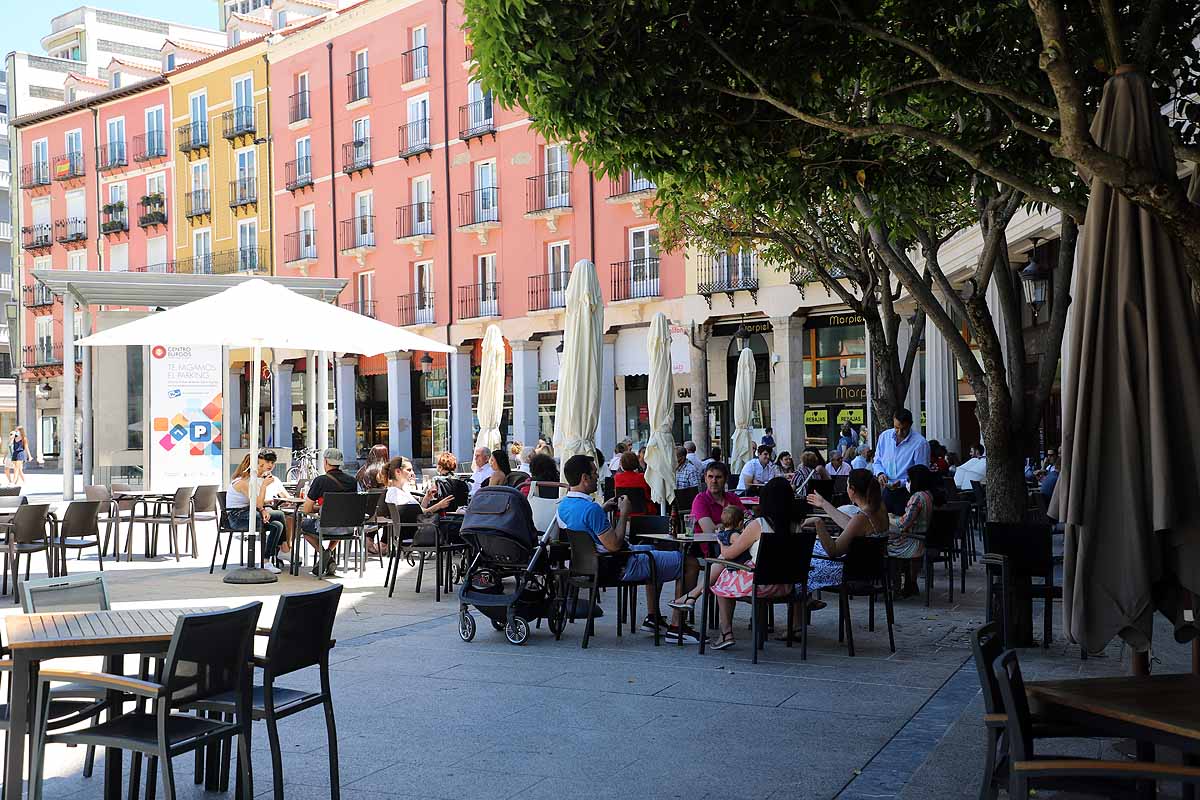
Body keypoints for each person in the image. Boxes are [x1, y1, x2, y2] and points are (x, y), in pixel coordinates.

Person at [557, 454, 696, 642]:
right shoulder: (591, 509)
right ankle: (677, 626)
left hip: (586, 566)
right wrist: (624, 514)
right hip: (618, 566)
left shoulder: (564, 505)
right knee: (690, 563)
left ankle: (653, 617)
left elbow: (585, 529)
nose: (597, 476)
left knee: (653, 552)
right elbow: (614, 545)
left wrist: (604, 509)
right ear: (584, 478)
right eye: (594, 472)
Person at [706, 477, 798, 650]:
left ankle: (726, 632)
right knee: (731, 572)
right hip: (787, 585)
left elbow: (729, 553)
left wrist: (721, 541)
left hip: (760, 585)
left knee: (724, 577)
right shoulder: (795, 526)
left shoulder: (759, 524)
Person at [804, 468, 890, 594]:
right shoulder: (880, 508)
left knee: (803, 562)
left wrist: (819, 523)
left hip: (850, 573)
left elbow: (833, 551)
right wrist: (824, 503)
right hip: (872, 570)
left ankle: (802, 602)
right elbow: (853, 526)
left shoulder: (861, 518)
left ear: (852, 490)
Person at [669, 504, 747, 616]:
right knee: (721, 564)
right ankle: (691, 597)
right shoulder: (734, 535)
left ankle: (691, 596)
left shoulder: (723, 534)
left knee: (720, 563)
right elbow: (740, 545)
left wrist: (721, 543)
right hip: (739, 567)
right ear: (740, 524)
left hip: (732, 567)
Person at [227, 452, 287, 575]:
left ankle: (266, 561)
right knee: (280, 515)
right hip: (237, 517)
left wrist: (264, 510)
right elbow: (258, 504)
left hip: (248, 513)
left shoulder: (250, 481)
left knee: (278, 525)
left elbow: (257, 505)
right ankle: (284, 548)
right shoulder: (242, 482)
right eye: (260, 466)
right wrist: (264, 486)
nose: (261, 469)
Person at [300, 447, 358, 576]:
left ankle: (325, 554)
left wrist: (319, 508)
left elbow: (306, 509)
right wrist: (323, 508)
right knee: (338, 519)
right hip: (348, 528)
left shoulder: (320, 480)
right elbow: (347, 506)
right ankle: (329, 553)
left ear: (325, 461)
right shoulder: (352, 481)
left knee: (302, 526)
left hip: (326, 527)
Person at [384, 456, 453, 546]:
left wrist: (426, 498)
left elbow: (417, 512)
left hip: (416, 529)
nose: (412, 473)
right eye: (408, 470)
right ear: (398, 472)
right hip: (415, 532)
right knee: (451, 525)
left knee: (450, 523)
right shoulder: (395, 493)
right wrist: (439, 505)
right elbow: (421, 513)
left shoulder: (401, 490)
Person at [872, 408, 931, 514]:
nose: (899, 432)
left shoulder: (920, 443)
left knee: (903, 527)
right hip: (886, 491)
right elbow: (877, 461)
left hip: (907, 493)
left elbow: (921, 475)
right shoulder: (884, 437)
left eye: (904, 429)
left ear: (910, 425)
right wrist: (880, 473)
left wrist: (902, 483)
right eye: (896, 427)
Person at [890, 464, 934, 597]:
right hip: (920, 536)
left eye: (909, 480)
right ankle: (908, 582)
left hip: (912, 540)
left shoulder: (917, 497)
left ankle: (895, 583)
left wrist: (889, 520)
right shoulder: (928, 495)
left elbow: (904, 524)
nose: (907, 483)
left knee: (884, 545)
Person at [613, 450, 657, 515]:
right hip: (642, 512)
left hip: (622, 513)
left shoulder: (617, 478)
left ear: (622, 464)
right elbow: (649, 493)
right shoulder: (643, 477)